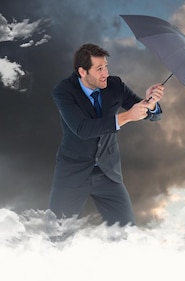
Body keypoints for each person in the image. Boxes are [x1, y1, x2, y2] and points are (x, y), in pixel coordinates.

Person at [49, 43, 164, 226]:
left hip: (108, 172)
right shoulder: (64, 91)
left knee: (126, 233)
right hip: (73, 174)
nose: (106, 74)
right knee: (57, 234)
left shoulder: (115, 85)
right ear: (82, 72)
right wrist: (127, 117)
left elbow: (151, 115)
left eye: (106, 67)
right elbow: (82, 129)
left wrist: (150, 102)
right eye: (99, 69)